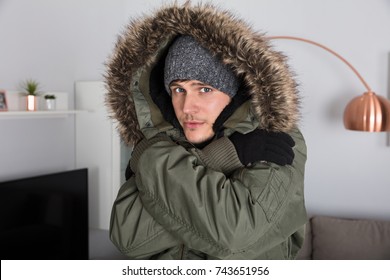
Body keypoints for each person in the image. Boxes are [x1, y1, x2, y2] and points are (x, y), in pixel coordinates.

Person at [105, 3, 307, 260]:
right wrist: (222, 157)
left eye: (204, 89)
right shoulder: (162, 139)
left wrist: (150, 159)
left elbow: (234, 234)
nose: (187, 107)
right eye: (179, 90)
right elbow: (128, 238)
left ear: (234, 91)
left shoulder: (276, 138)